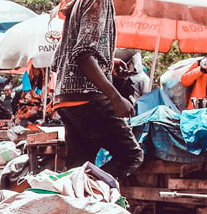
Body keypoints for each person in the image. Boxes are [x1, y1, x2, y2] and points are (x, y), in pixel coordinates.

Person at [51, 0, 144, 181]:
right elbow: (82, 54)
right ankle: (92, 190)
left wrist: (107, 64)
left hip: (66, 98)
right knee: (130, 156)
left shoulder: (79, 3)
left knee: (78, 168)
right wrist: (115, 97)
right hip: (87, 97)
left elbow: (60, 58)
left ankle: (80, 200)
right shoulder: (98, 1)